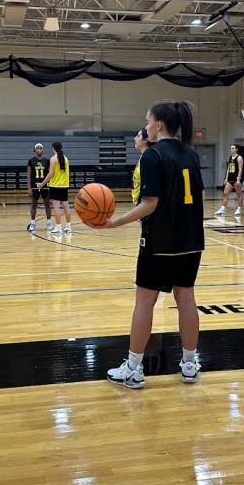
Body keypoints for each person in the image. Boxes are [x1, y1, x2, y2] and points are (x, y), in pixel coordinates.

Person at [100, 100, 205, 389]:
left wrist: (114, 222)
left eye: (148, 121)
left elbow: (150, 204)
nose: (146, 126)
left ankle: (134, 369)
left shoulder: (153, 155)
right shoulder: (191, 155)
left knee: (145, 302)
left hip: (160, 241)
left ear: (158, 125)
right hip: (192, 240)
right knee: (186, 300)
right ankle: (189, 364)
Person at [37, 141, 72, 234]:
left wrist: (42, 184)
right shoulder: (66, 158)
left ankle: (58, 227)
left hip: (55, 186)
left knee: (56, 207)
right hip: (64, 185)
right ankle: (68, 226)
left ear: (54, 148)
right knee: (66, 206)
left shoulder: (53, 159)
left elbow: (50, 174)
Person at [26, 143, 53, 232]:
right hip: (34, 186)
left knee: (47, 205)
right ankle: (33, 223)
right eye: (37, 148)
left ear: (43, 150)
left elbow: (50, 174)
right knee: (34, 205)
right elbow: (29, 175)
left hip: (45, 186)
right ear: (35, 150)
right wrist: (29, 188)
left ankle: (49, 223)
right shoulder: (31, 161)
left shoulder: (47, 161)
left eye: (41, 148)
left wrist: (51, 187)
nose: (39, 150)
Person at [214, 144, 243, 217]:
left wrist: (238, 179)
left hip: (236, 179)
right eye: (230, 148)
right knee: (225, 193)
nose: (231, 149)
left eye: (233, 148)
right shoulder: (230, 157)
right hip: (230, 178)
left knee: (239, 194)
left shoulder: (239, 158)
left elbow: (240, 169)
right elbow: (228, 169)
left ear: (236, 149)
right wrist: (226, 178)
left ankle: (239, 209)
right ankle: (222, 208)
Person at [131, 127, 152, 206]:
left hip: (144, 201)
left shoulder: (149, 158)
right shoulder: (143, 156)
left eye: (138, 136)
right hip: (139, 200)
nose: (135, 138)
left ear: (145, 140)